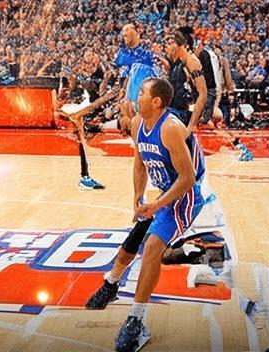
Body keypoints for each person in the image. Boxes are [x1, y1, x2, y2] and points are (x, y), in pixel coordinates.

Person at [83, 76, 207, 352]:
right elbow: (140, 164)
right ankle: (111, 284)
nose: (136, 96)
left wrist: (158, 204)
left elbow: (188, 178)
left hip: (186, 197)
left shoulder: (170, 128)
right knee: (133, 241)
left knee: (151, 247)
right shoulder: (138, 123)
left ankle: (136, 321)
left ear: (156, 101)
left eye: (141, 92)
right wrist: (137, 198)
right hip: (163, 193)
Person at [58, 50, 117, 190]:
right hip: (83, 111)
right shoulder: (80, 74)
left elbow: (102, 92)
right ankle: (85, 177)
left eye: (92, 58)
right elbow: (72, 87)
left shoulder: (101, 74)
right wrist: (72, 76)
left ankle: (85, 176)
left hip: (93, 110)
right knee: (82, 141)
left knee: (86, 142)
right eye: (88, 58)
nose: (90, 62)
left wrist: (106, 80)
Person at [165, 28, 208, 130]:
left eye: (170, 44)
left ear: (177, 46)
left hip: (185, 114)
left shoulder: (191, 60)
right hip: (174, 111)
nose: (166, 48)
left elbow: (203, 94)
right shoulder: (177, 64)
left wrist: (191, 125)